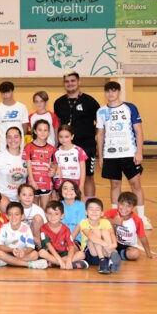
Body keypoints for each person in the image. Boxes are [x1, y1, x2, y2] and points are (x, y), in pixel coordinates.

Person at [96, 81, 151, 229]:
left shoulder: (130, 107)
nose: (111, 94)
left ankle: (141, 217)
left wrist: (139, 152)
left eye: (114, 91)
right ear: (105, 93)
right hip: (110, 154)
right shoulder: (101, 111)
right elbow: (100, 135)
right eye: (108, 91)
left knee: (135, 184)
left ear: (119, 92)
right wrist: (101, 156)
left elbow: (139, 131)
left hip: (129, 153)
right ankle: (116, 215)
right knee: (115, 185)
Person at [53, 72, 100, 199]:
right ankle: (64, 204)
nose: (70, 83)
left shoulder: (90, 102)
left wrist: (90, 134)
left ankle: (90, 205)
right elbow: (57, 125)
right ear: (64, 84)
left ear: (79, 82)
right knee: (63, 176)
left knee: (88, 176)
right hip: (65, 147)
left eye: (73, 81)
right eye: (67, 81)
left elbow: (100, 124)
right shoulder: (59, 103)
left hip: (86, 146)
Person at [104, 191, 157, 261]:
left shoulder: (137, 220)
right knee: (105, 224)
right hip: (112, 242)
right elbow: (99, 220)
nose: (124, 208)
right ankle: (112, 252)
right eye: (122, 204)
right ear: (118, 203)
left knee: (135, 254)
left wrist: (149, 253)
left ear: (133, 208)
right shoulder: (113, 212)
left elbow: (142, 237)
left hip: (128, 247)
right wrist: (113, 221)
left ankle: (116, 254)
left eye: (128, 206)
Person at [0, 202, 48, 269]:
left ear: (22, 216)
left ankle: (7, 262)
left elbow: (31, 246)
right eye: (10, 215)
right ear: (7, 216)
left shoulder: (26, 228)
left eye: (16, 214)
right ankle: (29, 264)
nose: (13, 217)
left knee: (35, 254)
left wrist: (24, 253)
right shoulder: (4, 228)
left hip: (22, 254)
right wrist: (12, 250)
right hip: (9, 252)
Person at [76, 197, 121, 274]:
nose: (94, 212)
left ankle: (109, 260)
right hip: (90, 254)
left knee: (105, 232)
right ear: (86, 212)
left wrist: (114, 244)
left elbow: (112, 234)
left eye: (97, 209)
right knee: (96, 231)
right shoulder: (83, 222)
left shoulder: (105, 222)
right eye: (91, 209)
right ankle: (104, 259)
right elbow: (90, 236)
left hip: (104, 250)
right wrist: (104, 243)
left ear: (102, 213)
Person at [39, 200, 88, 269]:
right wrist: (60, 261)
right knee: (41, 252)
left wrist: (68, 259)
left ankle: (55, 263)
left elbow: (71, 246)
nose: (53, 217)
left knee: (82, 254)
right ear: (46, 215)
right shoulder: (43, 228)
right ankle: (69, 264)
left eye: (56, 214)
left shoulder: (66, 229)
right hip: (51, 253)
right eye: (50, 214)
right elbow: (48, 245)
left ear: (62, 216)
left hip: (63, 254)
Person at [0, 127, 27, 210]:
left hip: (21, 197)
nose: (12, 140)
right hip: (3, 197)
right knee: (11, 211)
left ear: (21, 139)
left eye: (16, 137)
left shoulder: (27, 157)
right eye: (9, 137)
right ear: (6, 139)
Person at [23, 119, 55, 208]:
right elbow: (28, 164)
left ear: (49, 132)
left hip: (46, 183)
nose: (43, 132)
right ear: (35, 131)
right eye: (40, 130)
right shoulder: (29, 146)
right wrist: (32, 181)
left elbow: (53, 164)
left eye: (45, 130)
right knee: (34, 209)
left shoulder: (51, 148)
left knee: (44, 209)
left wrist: (54, 170)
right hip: (33, 183)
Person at [0, 81, 30, 152]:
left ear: (12, 91)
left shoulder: (22, 107)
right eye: (3, 93)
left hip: (19, 147)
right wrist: (1, 142)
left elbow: (25, 127)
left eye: (7, 92)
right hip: (2, 148)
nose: (5, 95)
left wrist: (18, 141)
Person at [53, 125, 88, 193]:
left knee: (74, 201)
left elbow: (83, 170)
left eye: (66, 137)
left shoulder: (78, 150)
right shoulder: (56, 152)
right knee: (61, 202)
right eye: (61, 137)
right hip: (60, 182)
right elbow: (55, 166)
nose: (63, 139)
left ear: (72, 136)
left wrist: (81, 186)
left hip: (75, 181)